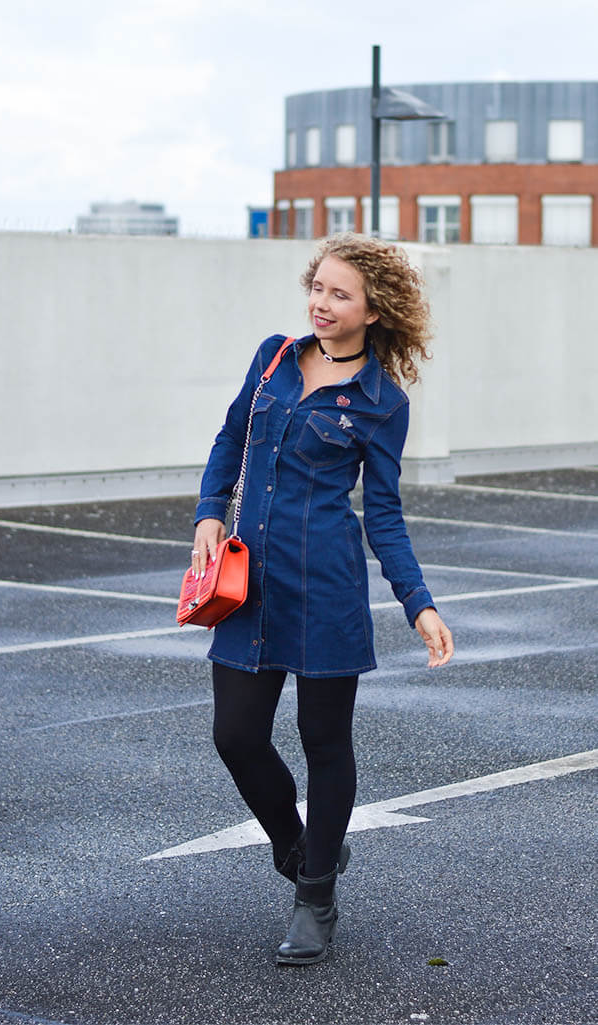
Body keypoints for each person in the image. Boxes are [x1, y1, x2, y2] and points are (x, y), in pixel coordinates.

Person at [191, 233, 454, 966]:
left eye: (341, 294)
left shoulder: (381, 401)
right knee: (235, 735)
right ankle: (302, 850)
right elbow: (229, 437)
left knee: (325, 744)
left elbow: (386, 516)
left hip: (329, 588)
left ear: (374, 311)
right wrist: (210, 510)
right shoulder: (274, 355)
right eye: (319, 287)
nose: (323, 302)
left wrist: (418, 601)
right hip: (248, 585)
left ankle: (315, 900)